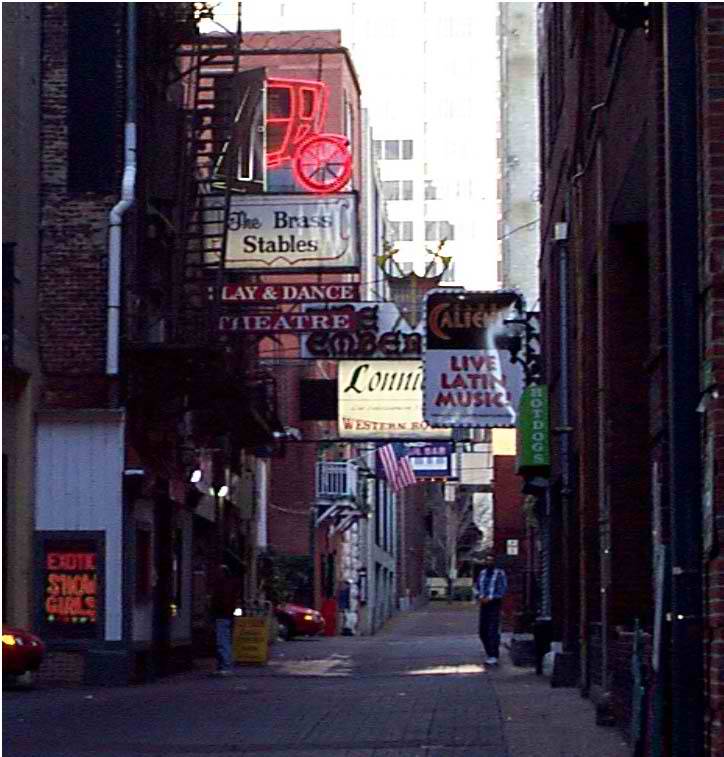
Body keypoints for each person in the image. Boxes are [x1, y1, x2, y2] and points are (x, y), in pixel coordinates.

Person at [474, 554, 508, 666]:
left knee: (492, 630)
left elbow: (503, 589)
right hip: (484, 604)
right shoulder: (482, 573)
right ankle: (489, 653)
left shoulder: (499, 573)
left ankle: (494, 655)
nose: (488, 562)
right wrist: (479, 596)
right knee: (483, 631)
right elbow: (477, 586)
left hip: (494, 604)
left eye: (491, 560)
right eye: (487, 560)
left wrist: (492, 597)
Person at [210, 564, 242, 675]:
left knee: (222, 641)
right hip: (225, 615)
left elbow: (222, 601)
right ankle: (222, 666)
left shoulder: (222, 586)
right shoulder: (229, 584)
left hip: (222, 615)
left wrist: (214, 610)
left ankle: (225, 666)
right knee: (223, 641)